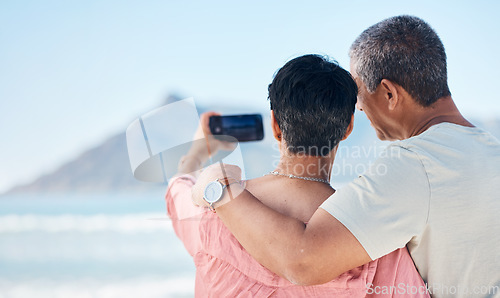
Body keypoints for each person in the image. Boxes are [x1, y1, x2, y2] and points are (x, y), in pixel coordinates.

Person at [191, 15, 500, 298]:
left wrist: (218, 182)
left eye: (361, 97)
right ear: (347, 127)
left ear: (389, 94)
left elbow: (303, 261)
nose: (362, 109)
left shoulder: (413, 166)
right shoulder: (491, 150)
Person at [166, 54, 428, 297]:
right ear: (348, 127)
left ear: (275, 126)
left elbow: (178, 190)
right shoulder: (370, 241)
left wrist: (197, 152)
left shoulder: (210, 210)